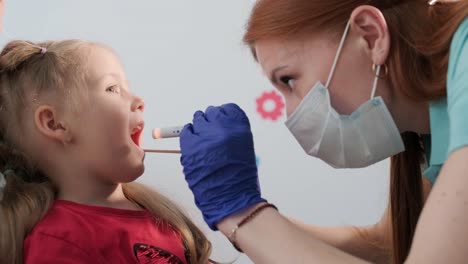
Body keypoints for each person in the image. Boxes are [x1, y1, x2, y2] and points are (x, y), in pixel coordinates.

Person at [178, 0, 468, 263]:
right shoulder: (431, 135)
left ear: (370, 35)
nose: (291, 113)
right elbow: (386, 244)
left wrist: (242, 215)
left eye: (289, 80)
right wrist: (243, 216)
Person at [0, 40, 213, 264]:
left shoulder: (159, 215)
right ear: (55, 123)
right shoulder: (58, 241)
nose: (139, 101)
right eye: (113, 89)